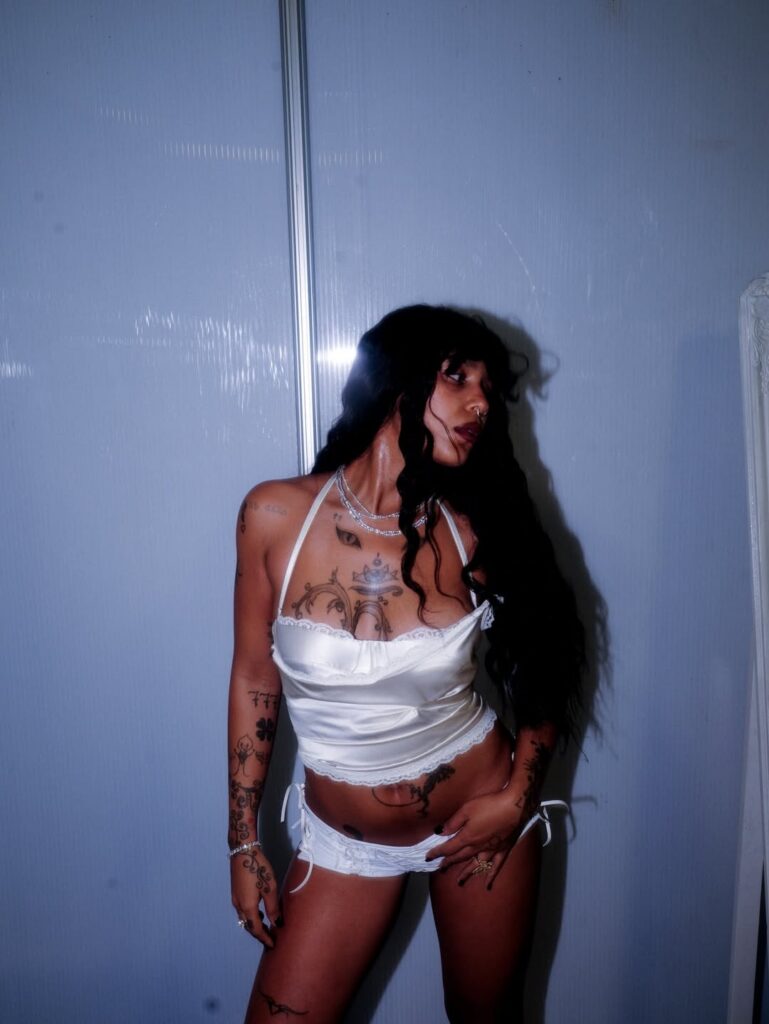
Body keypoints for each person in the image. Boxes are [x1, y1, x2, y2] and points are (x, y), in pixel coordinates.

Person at [227, 305, 584, 1023]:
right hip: (346, 847)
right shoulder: (274, 516)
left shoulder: (474, 524)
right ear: (396, 381)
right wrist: (243, 841)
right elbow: (254, 678)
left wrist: (517, 798)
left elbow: (545, 660)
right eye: (457, 377)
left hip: (479, 824)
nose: (480, 404)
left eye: (488, 388)